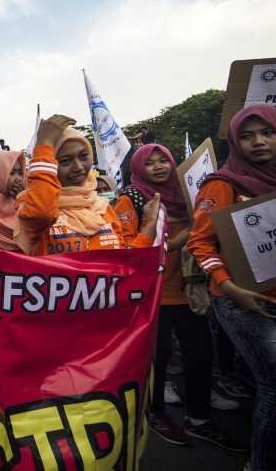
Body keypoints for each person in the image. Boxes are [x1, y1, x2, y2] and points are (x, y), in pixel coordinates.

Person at [116, 144, 244, 450]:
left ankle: (199, 418)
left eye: (164, 160)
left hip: (190, 292)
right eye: (151, 163)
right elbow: (124, 250)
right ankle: (157, 413)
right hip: (153, 295)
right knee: (157, 360)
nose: (159, 167)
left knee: (200, 355)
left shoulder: (189, 195)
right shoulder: (131, 198)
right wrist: (173, 242)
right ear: (138, 168)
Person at [187, 105, 276, 471]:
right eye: (246, 136)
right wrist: (230, 288)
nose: (258, 142)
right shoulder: (222, 184)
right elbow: (200, 244)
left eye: (267, 133)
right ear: (235, 142)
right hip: (243, 303)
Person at [15, 115, 160, 256]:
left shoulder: (103, 207)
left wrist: (151, 224)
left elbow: (124, 264)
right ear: (51, 164)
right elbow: (42, 212)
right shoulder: (29, 205)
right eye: (65, 161)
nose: (78, 167)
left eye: (83, 156)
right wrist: (44, 144)